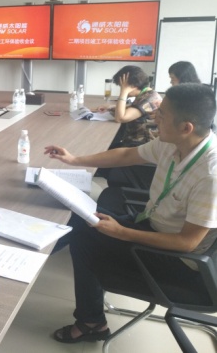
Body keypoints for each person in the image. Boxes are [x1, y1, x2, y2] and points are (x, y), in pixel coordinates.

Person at [44, 83, 217, 344]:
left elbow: (187, 243)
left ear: (186, 127)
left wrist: (122, 233)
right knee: (83, 219)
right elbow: (127, 154)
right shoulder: (175, 143)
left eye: (162, 114)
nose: (154, 117)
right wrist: (75, 160)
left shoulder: (210, 175)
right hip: (153, 224)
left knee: (83, 239)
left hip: (180, 261)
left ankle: (92, 323)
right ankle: (38, 259)